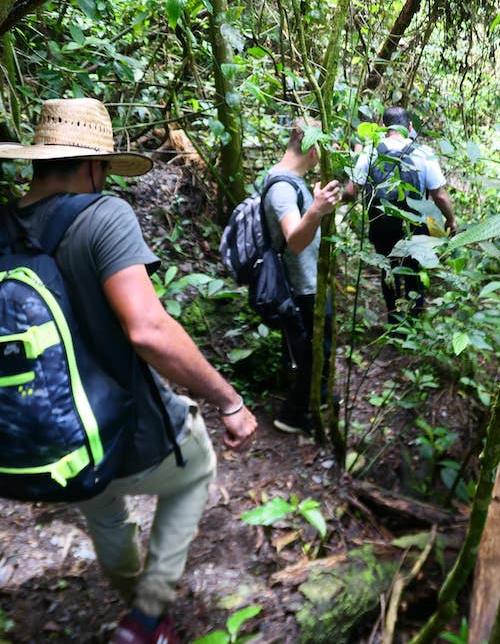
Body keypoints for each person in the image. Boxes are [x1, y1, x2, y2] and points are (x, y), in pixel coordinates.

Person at [0, 98, 257, 644]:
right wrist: (228, 401)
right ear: (95, 166)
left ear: (38, 160)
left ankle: (132, 602)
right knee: (196, 469)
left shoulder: (4, 226)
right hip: (127, 424)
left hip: (58, 438)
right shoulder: (103, 216)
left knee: (103, 504)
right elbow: (148, 330)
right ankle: (146, 616)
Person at [261, 119, 341, 435]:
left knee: (315, 347)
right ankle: (293, 415)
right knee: (313, 351)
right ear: (311, 147)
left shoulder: (287, 179)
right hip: (302, 287)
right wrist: (316, 211)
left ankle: (317, 397)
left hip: (308, 281)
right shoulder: (282, 187)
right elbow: (294, 239)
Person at [345, 106, 457, 327]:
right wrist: (450, 220)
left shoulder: (370, 151)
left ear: (383, 127)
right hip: (414, 225)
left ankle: (394, 321)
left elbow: (351, 192)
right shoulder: (423, 153)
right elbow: (440, 195)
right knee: (413, 269)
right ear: (410, 127)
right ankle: (413, 321)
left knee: (387, 269)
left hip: (381, 223)